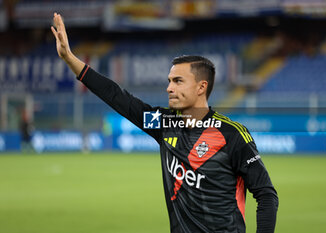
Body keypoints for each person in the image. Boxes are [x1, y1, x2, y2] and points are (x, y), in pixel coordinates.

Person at [51, 12, 278, 233]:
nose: (169, 88)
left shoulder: (232, 134)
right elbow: (118, 97)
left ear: (201, 87)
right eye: (169, 81)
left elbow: (266, 194)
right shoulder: (164, 122)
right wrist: (70, 59)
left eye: (178, 81)